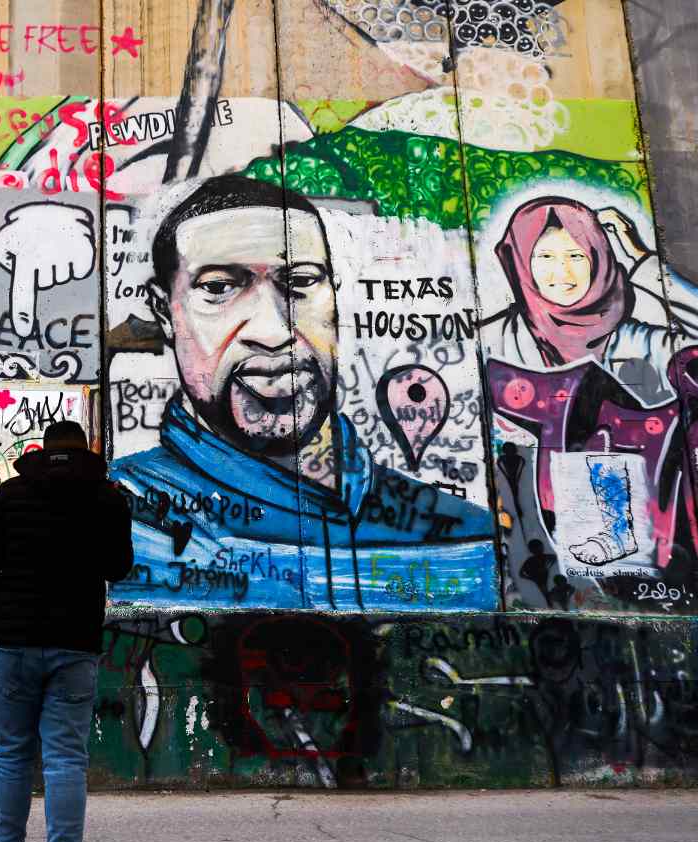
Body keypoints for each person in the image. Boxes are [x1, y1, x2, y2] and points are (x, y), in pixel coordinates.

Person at [110, 174, 494, 610]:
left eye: (300, 281)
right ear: (165, 312)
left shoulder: (466, 535)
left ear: (334, 296)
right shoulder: (122, 517)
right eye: (218, 288)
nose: (273, 331)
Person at [0, 420, 133, 842]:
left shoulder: (10, 495)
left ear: (43, 449)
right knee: (65, 760)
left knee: (12, 754)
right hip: (75, 645)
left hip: (14, 643)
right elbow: (117, 568)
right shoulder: (105, 498)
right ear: (86, 451)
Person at [482, 196, 698, 404]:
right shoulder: (495, 340)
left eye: (576, 256)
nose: (563, 271)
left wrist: (641, 258)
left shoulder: (642, 345)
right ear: (521, 263)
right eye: (545, 257)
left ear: (597, 259)